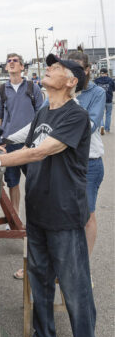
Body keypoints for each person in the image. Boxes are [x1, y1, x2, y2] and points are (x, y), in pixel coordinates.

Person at [0, 54, 98, 337]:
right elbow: (26, 147)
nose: (47, 69)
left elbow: (40, 152)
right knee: (39, 278)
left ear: (71, 81)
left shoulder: (75, 116)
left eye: (55, 68)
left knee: (74, 285)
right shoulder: (42, 112)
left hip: (64, 214)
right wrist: (0, 148)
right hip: (37, 211)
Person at [0, 53, 43, 218]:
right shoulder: (1, 90)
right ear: (6, 67)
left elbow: (41, 114)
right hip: (9, 143)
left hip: (30, 143)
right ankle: (14, 217)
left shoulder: (32, 87)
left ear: (22, 67)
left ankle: (36, 216)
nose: (12, 63)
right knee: (12, 182)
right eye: (9, 61)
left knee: (34, 182)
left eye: (16, 61)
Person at [68, 52, 105, 257]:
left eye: (77, 68)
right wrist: (9, 139)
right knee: (66, 215)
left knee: (87, 216)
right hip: (65, 163)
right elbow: (40, 121)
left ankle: (84, 266)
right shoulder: (62, 90)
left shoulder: (96, 92)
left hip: (88, 163)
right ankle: (66, 261)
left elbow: (90, 125)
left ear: (87, 70)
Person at [94, 66, 114, 133]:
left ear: (100, 73)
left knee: (100, 114)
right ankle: (107, 129)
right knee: (108, 114)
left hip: (100, 100)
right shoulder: (111, 80)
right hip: (109, 99)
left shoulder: (96, 80)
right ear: (107, 73)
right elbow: (114, 89)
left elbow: (94, 90)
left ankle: (101, 125)